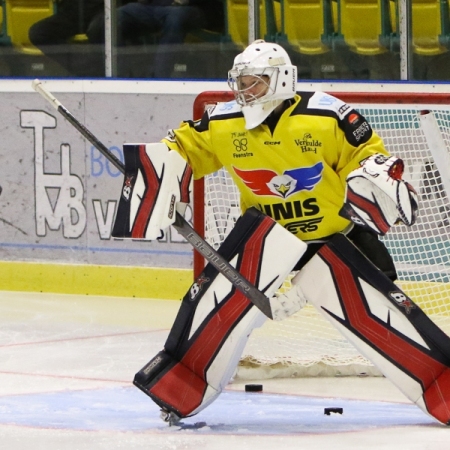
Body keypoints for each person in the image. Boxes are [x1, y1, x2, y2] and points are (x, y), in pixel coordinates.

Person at [114, 40, 426, 424]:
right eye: (239, 82)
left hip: (334, 235)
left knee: (388, 314)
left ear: (281, 80)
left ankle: (437, 379)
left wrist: (377, 177)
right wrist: (156, 178)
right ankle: (181, 384)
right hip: (266, 238)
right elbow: (182, 148)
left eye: (254, 83)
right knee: (213, 304)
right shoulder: (224, 122)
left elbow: (366, 156)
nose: (243, 91)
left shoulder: (326, 116)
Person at [28, 0, 105, 77]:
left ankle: (105, 69)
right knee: (38, 33)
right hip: (71, 12)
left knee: (97, 29)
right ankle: (86, 71)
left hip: (101, 9)